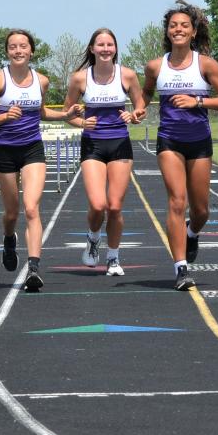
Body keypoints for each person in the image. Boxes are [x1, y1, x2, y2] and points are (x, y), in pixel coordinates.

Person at [142, 0, 218, 291]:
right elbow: (144, 95)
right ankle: (181, 268)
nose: (178, 30)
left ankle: (192, 233)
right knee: (176, 201)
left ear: (193, 32)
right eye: (173, 26)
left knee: (201, 210)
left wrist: (197, 101)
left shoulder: (206, 65)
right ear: (167, 32)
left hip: (199, 141)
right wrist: (138, 109)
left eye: (184, 25)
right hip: (169, 139)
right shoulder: (155, 66)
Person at [0, 29, 79, 292]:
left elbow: (42, 111)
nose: (18, 51)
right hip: (5, 150)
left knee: (32, 207)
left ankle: (33, 267)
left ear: (31, 51)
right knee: (12, 212)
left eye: (23, 46)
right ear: (7, 52)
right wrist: (4, 117)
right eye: (13, 47)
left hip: (33, 149)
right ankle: (8, 238)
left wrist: (65, 114)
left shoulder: (42, 81)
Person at [63, 28, 146, 276]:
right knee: (98, 205)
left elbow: (141, 105)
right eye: (101, 45)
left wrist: (134, 115)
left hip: (120, 143)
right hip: (93, 145)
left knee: (115, 206)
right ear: (92, 49)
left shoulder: (127, 75)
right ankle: (92, 237)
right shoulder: (80, 78)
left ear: (115, 48)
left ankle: (113, 257)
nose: (106, 49)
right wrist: (80, 122)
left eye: (110, 44)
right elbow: (68, 112)